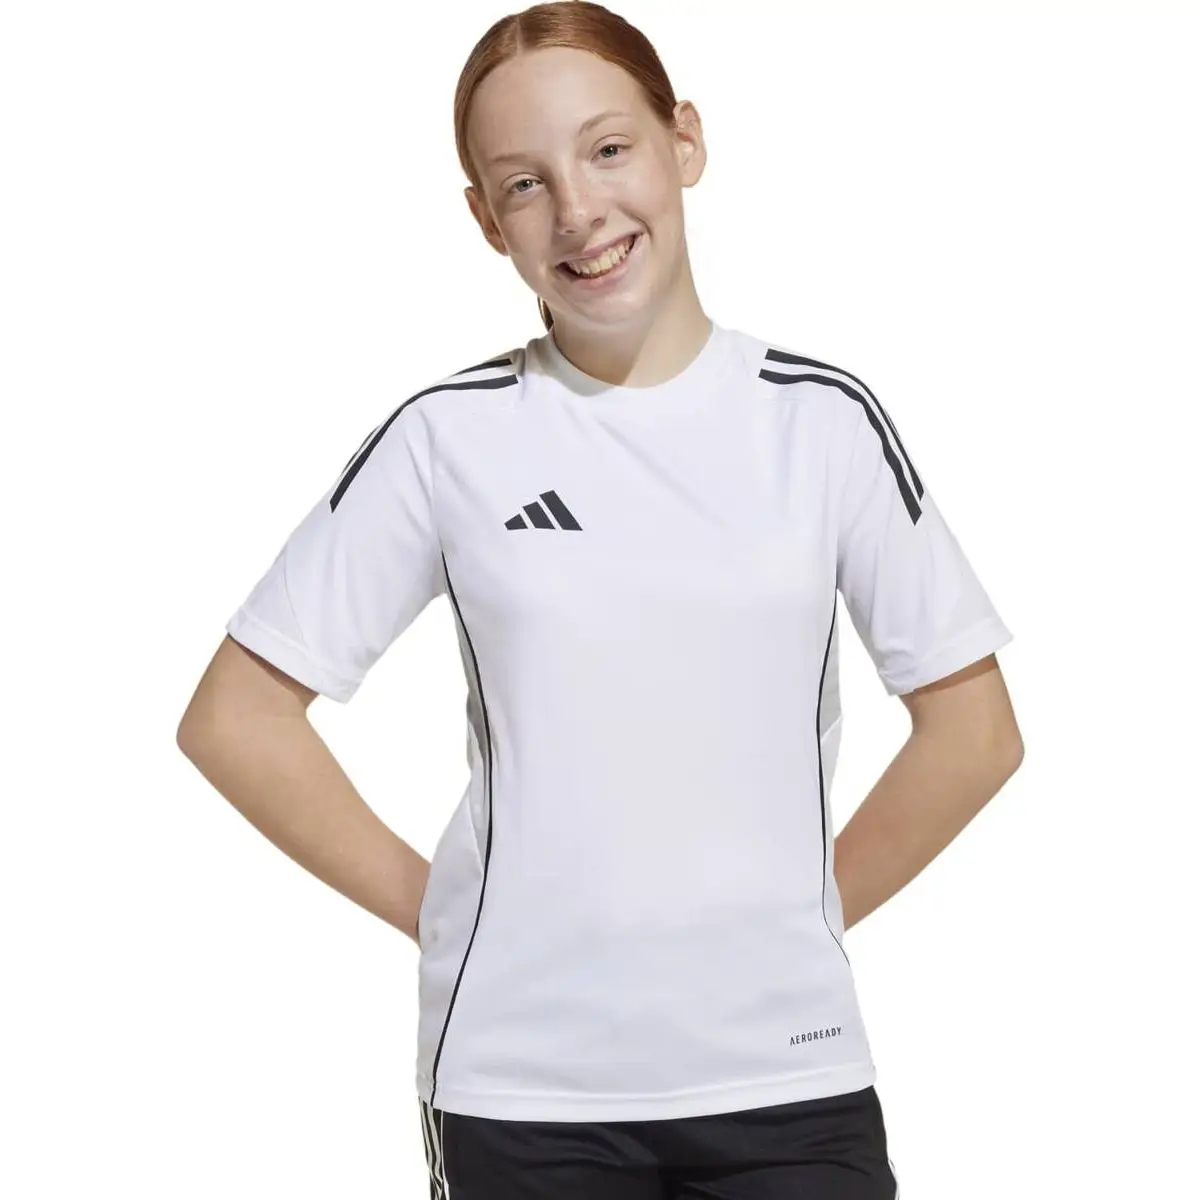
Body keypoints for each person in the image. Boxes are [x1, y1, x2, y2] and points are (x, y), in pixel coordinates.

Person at [177, 2, 1024, 1196]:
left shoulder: (820, 422)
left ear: (685, 142)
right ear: (488, 221)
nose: (578, 211)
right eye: (524, 184)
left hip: (789, 1074)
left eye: (609, 149)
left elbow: (975, 732)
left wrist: (799, 916)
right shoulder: (447, 439)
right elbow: (236, 718)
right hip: (526, 1092)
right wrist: (444, 912)